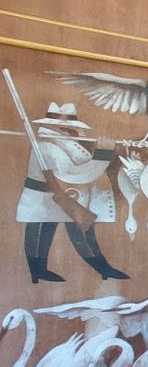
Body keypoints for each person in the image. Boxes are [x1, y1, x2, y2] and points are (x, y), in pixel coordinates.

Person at [16, 102, 128, 283]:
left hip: (67, 196)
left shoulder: (67, 144)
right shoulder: (46, 146)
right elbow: (75, 174)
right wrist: (102, 154)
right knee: (40, 234)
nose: (69, 129)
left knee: (82, 233)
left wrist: (106, 151)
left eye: (71, 126)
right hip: (43, 198)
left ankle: (103, 268)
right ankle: (38, 272)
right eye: (64, 127)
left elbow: (82, 165)